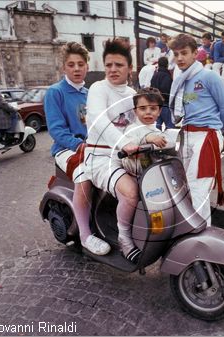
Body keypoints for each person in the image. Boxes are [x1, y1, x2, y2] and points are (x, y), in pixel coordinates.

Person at [43, 42, 111, 256]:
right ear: (64, 67)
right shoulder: (55, 93)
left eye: (80, 64)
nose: (76, 68)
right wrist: (79, 145)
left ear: (87, 67)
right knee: (84, 174)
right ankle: (85, 235)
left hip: (93, 147)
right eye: (71, 64)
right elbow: (56, 129)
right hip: (67, 149)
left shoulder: (90, 93)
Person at [80, 38, 142, 263]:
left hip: (126, 156)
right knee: (131, 191)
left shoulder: (132, 94)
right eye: (108, 65)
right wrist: (122, 143)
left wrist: (162, 137)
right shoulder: (98, 88)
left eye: (119, 64)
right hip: (100, 157)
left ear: (129, 68)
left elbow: (141, 124)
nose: (113, 69)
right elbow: (97, 119)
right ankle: (125, 239)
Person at [169, 33, 224, 226]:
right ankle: (193, 231)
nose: (179, 58)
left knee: (198, 189)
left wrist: (215, 132)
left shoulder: (209, 75)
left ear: (195, 53)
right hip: (187, 135)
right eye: (176, 54)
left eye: (184, 53)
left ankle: (201, 235)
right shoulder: (180, 79)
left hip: (205, 137)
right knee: (187, 187)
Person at [121, 87, 168, 176]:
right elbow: (128, 145)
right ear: (135, 111)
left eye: (153, 108)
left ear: (159, 111)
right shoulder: (132, 129)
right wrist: (146, 138)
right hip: (134, 174)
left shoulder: (158, 132)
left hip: (154, 173)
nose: (148, 112)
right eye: (143, 108)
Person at [150, 57, 174, 130]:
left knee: (157, 128)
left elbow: (151, 89)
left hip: (155, 105)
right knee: (170, 128)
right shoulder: (167, 76)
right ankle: (169, 141)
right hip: (165, 104)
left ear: (159, 65)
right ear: (167, 65)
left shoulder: (154, 76)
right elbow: (167, 91)